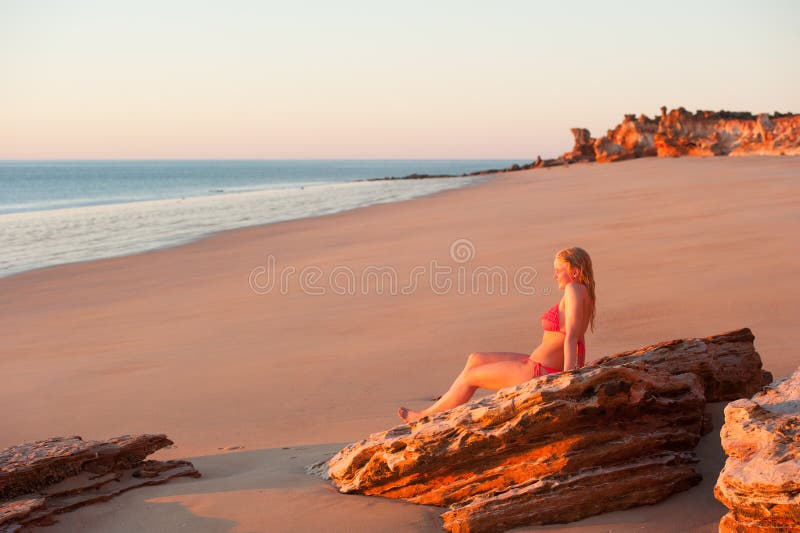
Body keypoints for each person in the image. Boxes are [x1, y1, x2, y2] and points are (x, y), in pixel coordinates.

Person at [398, 246, 596, 423]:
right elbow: (580, 337)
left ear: (574, 272)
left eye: (558, 271)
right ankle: (447, 402)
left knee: (470, 377)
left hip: (538, 371)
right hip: (537, 364)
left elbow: (572, 337)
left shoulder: (573, 289)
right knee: (474, 359)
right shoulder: (584, 293)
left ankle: (424, 417)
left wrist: (569, 378)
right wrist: (578, 369)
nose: (555, 276)